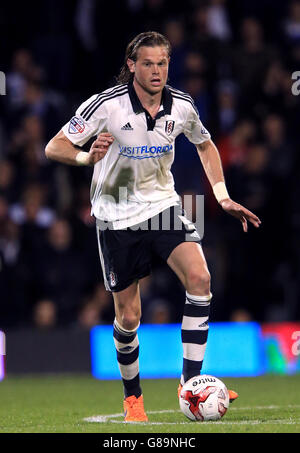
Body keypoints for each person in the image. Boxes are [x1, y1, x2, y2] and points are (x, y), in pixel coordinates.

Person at [45, 31, 261, 422]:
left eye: (162, 63)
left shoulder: (181, 106)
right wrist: (84, 158)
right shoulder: (105, 106)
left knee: (200, 278)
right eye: (148, 63)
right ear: (132, 66)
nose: (157, 70)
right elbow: (53, 145)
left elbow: (206, 144)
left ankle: (190, 384)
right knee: (128, 317)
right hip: (115, 214)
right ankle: (133, 398)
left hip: (165, 204)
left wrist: (222, 195)